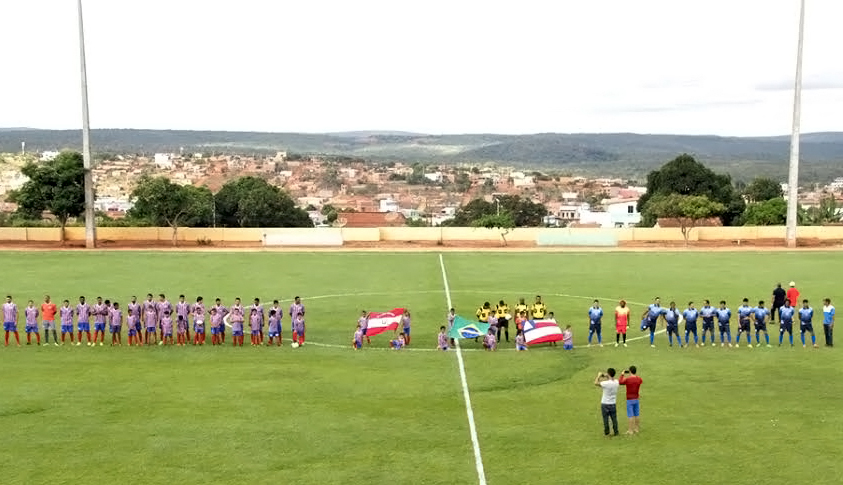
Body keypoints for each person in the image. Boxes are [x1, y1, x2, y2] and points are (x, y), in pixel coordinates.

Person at [595, 368, 619, 437]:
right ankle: (616, 431)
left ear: (608, 374)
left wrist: (599, 376)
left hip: (605, 403)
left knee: (605, 419)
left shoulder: (606, 383)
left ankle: (607, 433)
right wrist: (606, 375)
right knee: (614, 418)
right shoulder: (616, 382)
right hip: (613, 403)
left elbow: (596, 383)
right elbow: (611, 379)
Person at [618, 366, 643, 434]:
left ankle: (630, 430)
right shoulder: (639, 379)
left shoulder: (628, 379)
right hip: (636, 399)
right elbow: (640, 381)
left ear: (630, 371)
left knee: (630, 415)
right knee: (636, 414)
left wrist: (622, 374)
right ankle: (636, 429)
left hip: (629, 399)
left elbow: (620, 382)